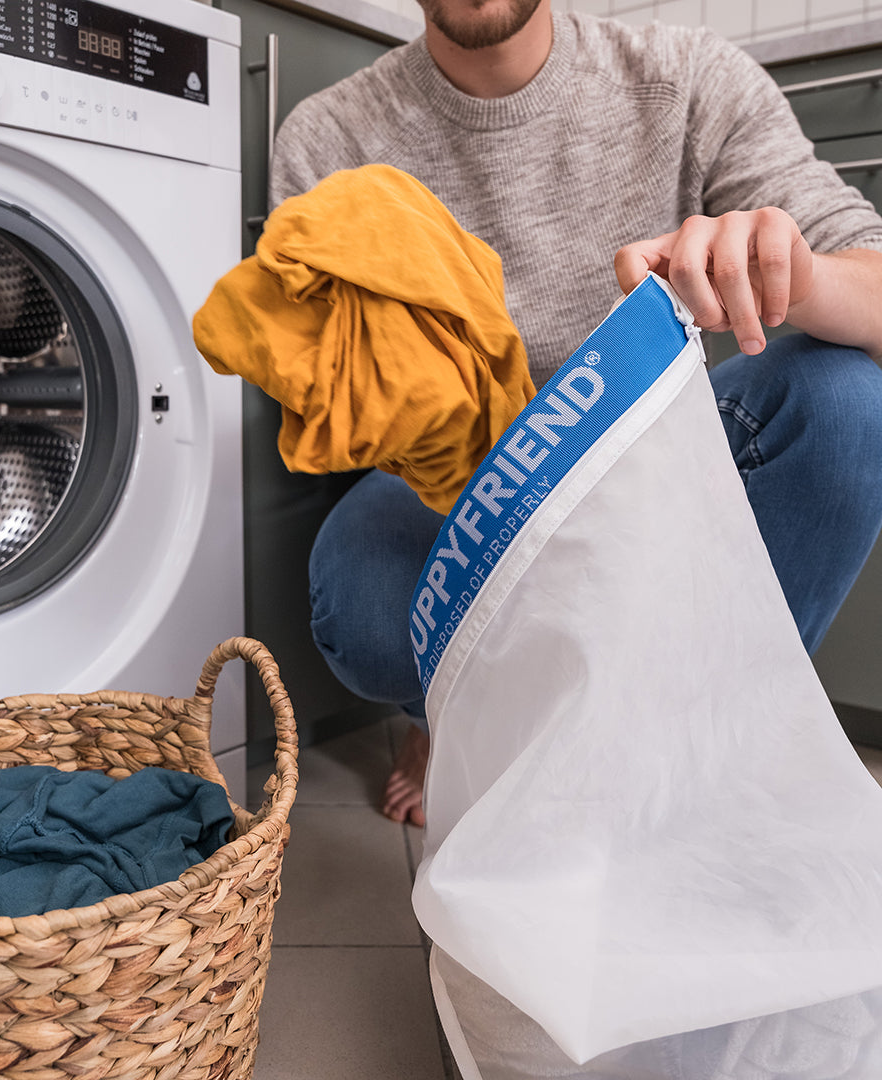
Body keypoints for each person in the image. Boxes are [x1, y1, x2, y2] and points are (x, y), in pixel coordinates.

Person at [268, 0, 882, 826]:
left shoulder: (689, 80)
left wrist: (795, 280)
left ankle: (708, 741)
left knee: (846, 401)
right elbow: (315, 387)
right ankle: (454, 721)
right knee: (362, 599)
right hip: (469, 479)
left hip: (661, 448)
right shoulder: (328, 137)